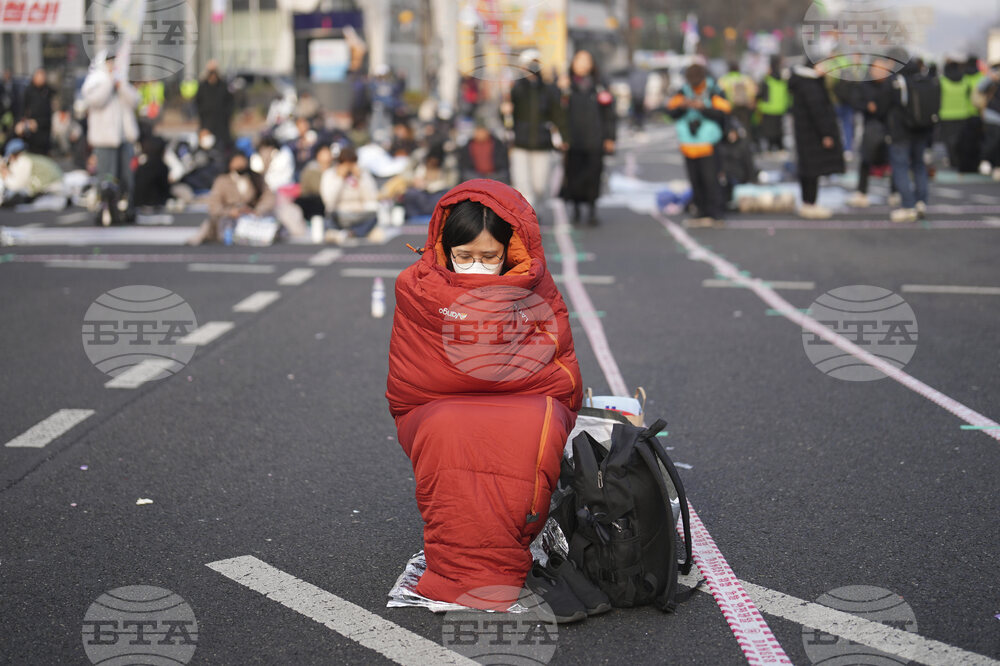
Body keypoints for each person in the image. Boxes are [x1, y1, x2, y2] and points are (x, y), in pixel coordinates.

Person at [386, 179, 582, 616]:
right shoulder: (416, 288)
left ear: (510, 251)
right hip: (435, 404)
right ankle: (471, 570)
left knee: (532, 426)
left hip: (526, 398)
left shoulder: (536, 286)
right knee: (447, 430)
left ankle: (484, 564)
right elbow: (411, 379)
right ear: (444, 249)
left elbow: (560, 367)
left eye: (489, 257)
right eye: (464, 256)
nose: (476, 265)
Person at [666, 63, 730, 227]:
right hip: (689, 143)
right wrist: (683, 106)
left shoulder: (713, 90)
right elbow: (670, 111)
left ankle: (715, 213)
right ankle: (700, 210)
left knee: (711, 180)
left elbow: (724, 112)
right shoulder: (683, 92)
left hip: (708, 143)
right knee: (695, 180)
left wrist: (703, 108)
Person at [558, 49, 616, 225]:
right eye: (579, 60)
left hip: (595, 139)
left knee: (594, 175)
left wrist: (610, 137)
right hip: (573, 140)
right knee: (573, 176)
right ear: (573, 63)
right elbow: (556, 111)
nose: (583, 64)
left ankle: (592, 210)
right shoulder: (566, 86)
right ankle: (575, 209)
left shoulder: (600, 86)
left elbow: (609, 114)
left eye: (586, 61)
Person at [504, 49, 563, 210]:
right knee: (523, 184)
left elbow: (558, 115)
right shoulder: (515, 88)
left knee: (540, 185)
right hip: (520, 143)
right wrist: (505, 112)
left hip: (542, 143)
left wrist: (562, 137)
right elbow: (506, 119)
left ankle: (536, 210)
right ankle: (527, 216)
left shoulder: (549, 89)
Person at [81, 52, 139, 212]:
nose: (112, 65)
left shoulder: (121, 80)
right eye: (109, 62)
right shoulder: (95, 80)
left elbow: (135, 100)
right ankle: (106, 209)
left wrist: (121, 86)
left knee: (126, 177)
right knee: (107, 177)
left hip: (125, 137)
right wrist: (109, 82)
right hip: (105, 139)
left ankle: (125, 209)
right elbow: (95, 100)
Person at [788, 60, 844, 219]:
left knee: (807, 168)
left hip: (805, 132)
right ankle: (811, 203)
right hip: (812, 133)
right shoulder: (810, 85)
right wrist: (826, 133)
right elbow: (818, 112)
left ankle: (807, 203)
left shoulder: (802, 82)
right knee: (813, 169)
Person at [886, 51, 935, 223]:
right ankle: (921, 202)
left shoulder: (897, 81)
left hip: (901, 132)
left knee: (900, 167)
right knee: (919, 165)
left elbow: (886, 105)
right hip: (922, 130)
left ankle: (908, 206)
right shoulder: (925, 80)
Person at [189, 151, 275, 245]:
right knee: (213, 223)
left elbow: (269, 197)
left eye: (243, 163)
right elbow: (214, 206)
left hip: (252, 218)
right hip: (230, 218)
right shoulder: (222, 181)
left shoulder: (256, 178)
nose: (240, 166)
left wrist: (257, 211)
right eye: (237, 163)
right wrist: (230, 212)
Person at [847, 61, 893, 208]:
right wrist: (867, 106)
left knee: (892, 160)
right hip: (871, 127)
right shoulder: (864, 85)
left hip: (889, 127)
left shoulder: (891, 85)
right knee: (866, 159)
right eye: (877, 69)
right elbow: (854, 101)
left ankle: (895, 192)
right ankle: (861, 192)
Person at [320, 146, 379, 241]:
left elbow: (371, 197)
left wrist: (361, 178)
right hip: (339, 214)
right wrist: (339, 178)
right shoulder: (330, 174)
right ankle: (346, 233)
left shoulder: (362, 174)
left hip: (359, 214)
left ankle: (351, 233)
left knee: (373, 215)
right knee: (329, 218)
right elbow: (329, 201)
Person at [0, 137, 64, 206]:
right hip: (56, 185)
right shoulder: (29, 158)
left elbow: (17, 185)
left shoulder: (23, 161)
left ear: (13, 154)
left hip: (51, 189)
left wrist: (5, 175)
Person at [195, 61, 234, 149]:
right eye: (210, 73)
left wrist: (227, 115)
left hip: (222, 124)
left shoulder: (223, 86)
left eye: (214, 73)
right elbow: (198, 103)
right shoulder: (202, 86)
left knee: (222, 147)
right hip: (207, 123)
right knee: (206, 146)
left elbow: (230, 102)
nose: (212, 76)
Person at [17, 68, 54, 155]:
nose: (41, 79)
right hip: (31, 127)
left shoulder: (47, 91)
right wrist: (24, 122)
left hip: (44, 127)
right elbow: (22, 109)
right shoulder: (28, 91)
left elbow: (49, 112)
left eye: (43, 77)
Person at [757, 56, 789, 153]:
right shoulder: (783, 79)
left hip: (768, 108)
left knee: (769, 130)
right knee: (779, 129)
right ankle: (780, 147)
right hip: (780, 107)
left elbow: (761, 94)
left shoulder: (767, 79)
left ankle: (770, 148)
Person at [718, 61, 757, 140]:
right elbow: (753, 92)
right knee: (745, 127)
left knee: (731, 127)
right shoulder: (745, 78)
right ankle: (745, 141)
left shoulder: (724, 79)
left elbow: (718, 93)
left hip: (729, 108)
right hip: (744, 107)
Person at [976, 63, 1000, 180]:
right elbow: (980, 88)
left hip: (993, 114)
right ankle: (985, 161)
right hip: (992, 115)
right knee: (992, 141)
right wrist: (991, 77)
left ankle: (996, 166)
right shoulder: (991, 80)